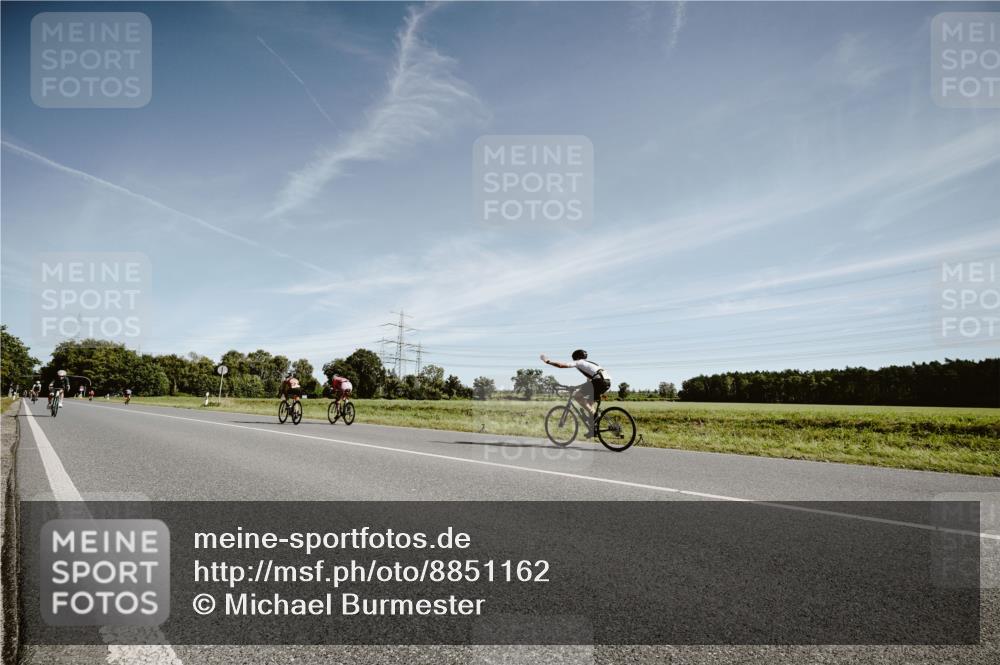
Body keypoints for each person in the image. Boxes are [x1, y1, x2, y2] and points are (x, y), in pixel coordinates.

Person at [540, 349, 611, 436]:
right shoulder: (590, 364)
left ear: (575, 357)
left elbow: (561, 365)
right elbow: (589, 381)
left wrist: (548, 362)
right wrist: (577, 387)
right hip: (606, 382)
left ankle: (595, 416)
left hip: (598, 382)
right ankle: (593, 430)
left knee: (577, 396)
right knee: (589, 406)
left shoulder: (579, 362)